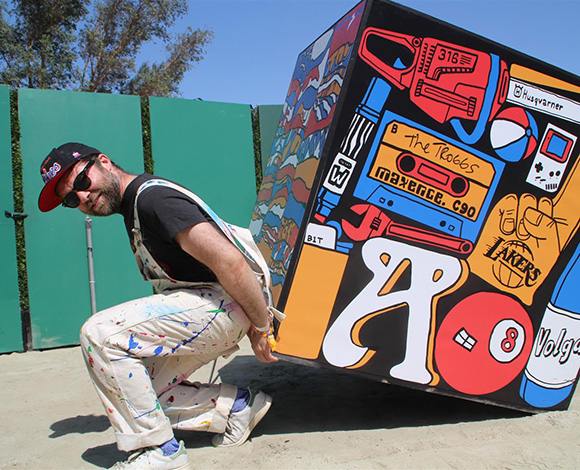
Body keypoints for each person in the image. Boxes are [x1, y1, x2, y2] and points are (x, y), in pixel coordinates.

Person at [38, 142, 284, 470]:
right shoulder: (133, 207)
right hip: (214, 306)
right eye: (71, 199)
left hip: (226, 305)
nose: (82, 197)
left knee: (100, 335)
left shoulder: (153, 200)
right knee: (130, 392)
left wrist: (261, 326)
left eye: (82, 181)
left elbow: (231, 262)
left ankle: (158, 450)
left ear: (103, 162)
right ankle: (237, 407)